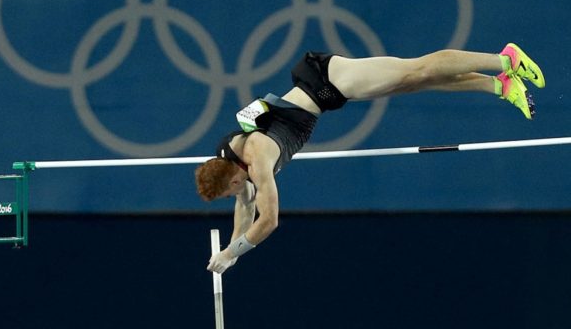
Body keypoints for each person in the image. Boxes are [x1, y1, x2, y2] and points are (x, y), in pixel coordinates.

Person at [196, 43, 545, 274]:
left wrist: (235, 251)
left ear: (233, 176)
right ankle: (499, 86)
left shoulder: (256, 158)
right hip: (324, 93)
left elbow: (267, 220)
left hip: (327, 79)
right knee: (414, 84)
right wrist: (229, 250)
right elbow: (245, 204)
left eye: (231, 190)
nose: (238, 192)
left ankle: (505, 59)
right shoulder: (232, 163)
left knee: (417, 70)